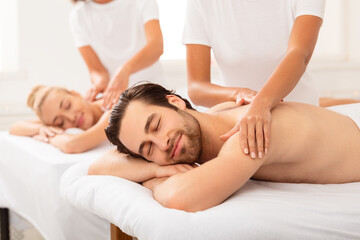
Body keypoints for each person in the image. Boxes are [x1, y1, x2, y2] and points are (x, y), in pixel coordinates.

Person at [89, 83, 360, 212]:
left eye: (156, 125)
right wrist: (158, 169)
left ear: (175, 101)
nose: (163, 144)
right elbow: (97, 166)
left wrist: (152, 180)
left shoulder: (248, 133)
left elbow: (178, 198)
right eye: (147, 149)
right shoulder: (215, 117)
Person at [183, 0, 326, 159]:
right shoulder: (201, 4)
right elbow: (196, 88)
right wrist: (239, 94)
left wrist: (262, 104)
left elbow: (300, 53)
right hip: (239, 123)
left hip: (299, 119)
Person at [69, 0, 164, 111]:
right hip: (117, 103)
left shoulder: (141, 2)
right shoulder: (78, 15)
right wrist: (100, 82)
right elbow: (95, 69)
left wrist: (125, 70)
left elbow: (156, 47)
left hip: (154, 92)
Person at [9, 85, 110, 153]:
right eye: (60, 122)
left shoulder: (114, 108)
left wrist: (49, 136)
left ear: (76, 94)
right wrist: (41, 129)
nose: (71, 117)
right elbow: (15, 127)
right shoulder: (54, 123)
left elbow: (71, 145)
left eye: (68, 106)